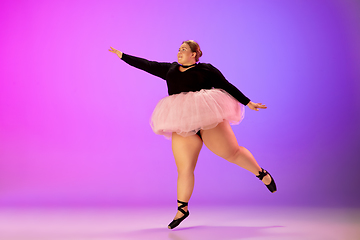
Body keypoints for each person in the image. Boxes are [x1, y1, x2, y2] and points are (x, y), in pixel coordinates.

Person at [108, 40, 276, 229]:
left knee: (231, 153)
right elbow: (147, 65)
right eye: (179, 49)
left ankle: (261, 173)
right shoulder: (170, 69)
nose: (179, 52)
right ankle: (182, 209)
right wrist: (123, 55)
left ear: (194, 54)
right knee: (184, 168)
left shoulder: (206, 70)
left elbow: (226, 85)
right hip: (182, 122)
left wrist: (248, 102)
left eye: (184, 50)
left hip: (208, 117)